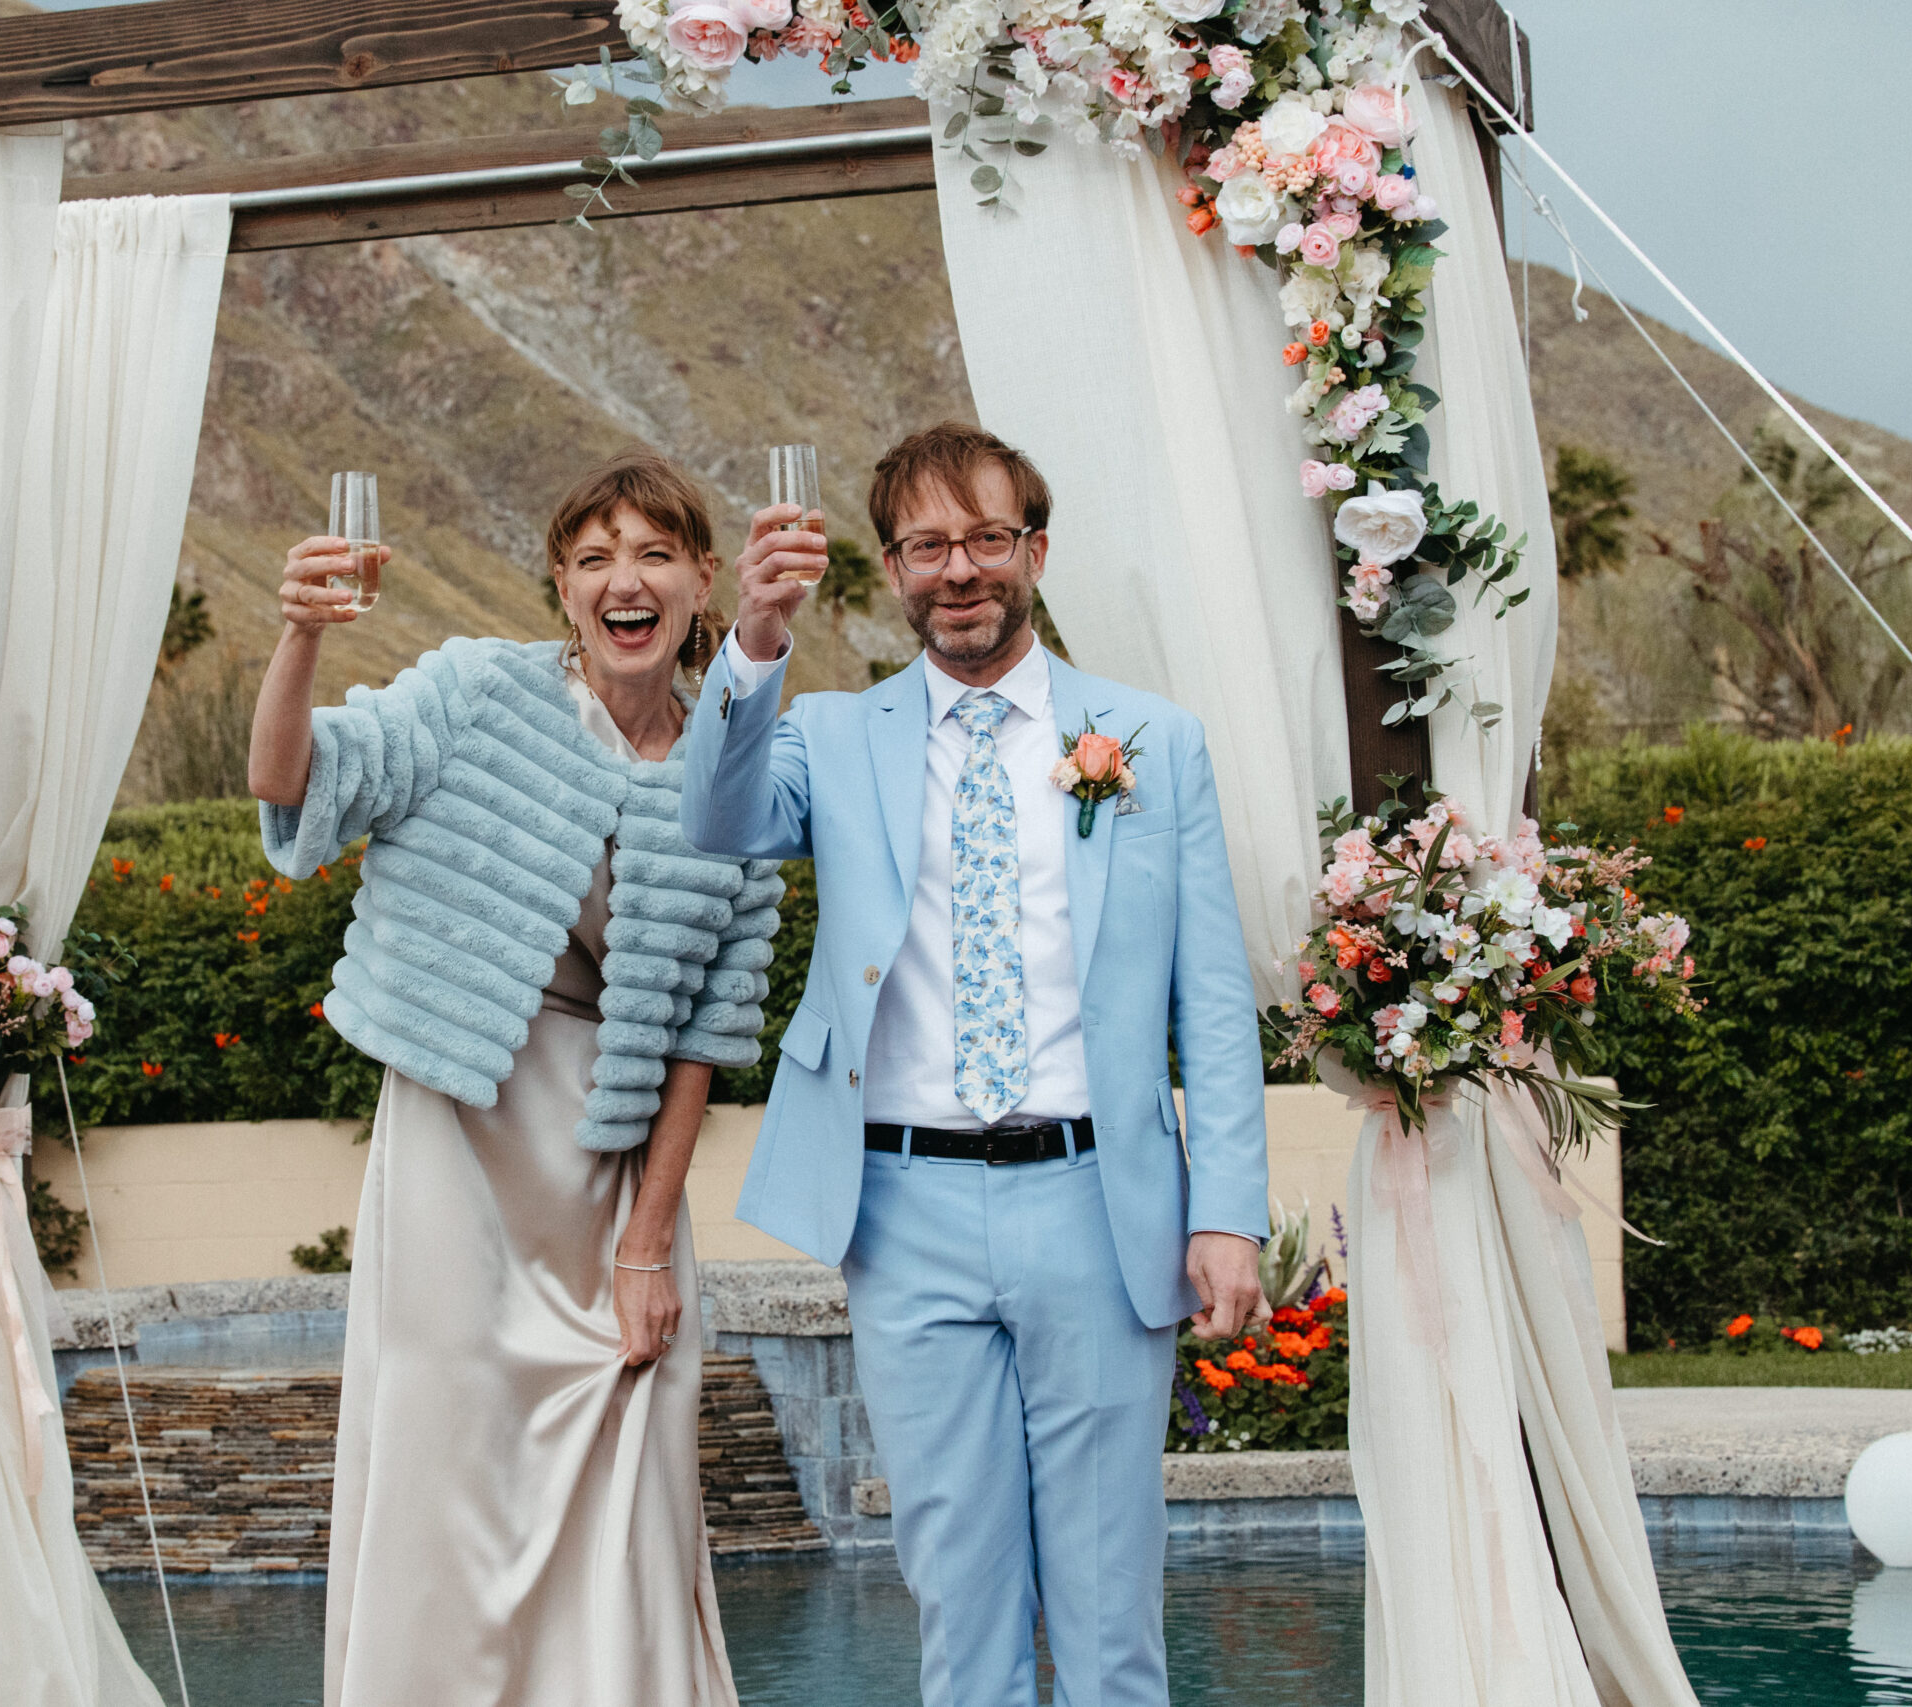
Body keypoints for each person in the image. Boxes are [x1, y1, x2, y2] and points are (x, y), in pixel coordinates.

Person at [680, 422, 1270, 1707]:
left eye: (986, 539)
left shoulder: (1151, 741)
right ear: (890, 567)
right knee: (958, 1598)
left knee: (1114, 1608)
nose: (960, 570)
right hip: (904, 1208)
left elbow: (1210, 998)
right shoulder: (832, 735)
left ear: (1034, 551)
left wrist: (1226, 1208)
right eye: (928, 545)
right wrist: (757, 643)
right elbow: (713, 820)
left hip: (1097, 1202)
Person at [251, 450, 783, 1707]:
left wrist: (649, 1241)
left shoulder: (737, 759)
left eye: (654, 553)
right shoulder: (475, 691)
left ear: (703, 582)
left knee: (633, 1464)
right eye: (593, 558)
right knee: (446, 1468)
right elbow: (294, 786)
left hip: (614, 1173)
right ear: (561, 588)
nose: (624, 580)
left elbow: (712, 1027)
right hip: (455, 1141)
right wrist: (298, 640)